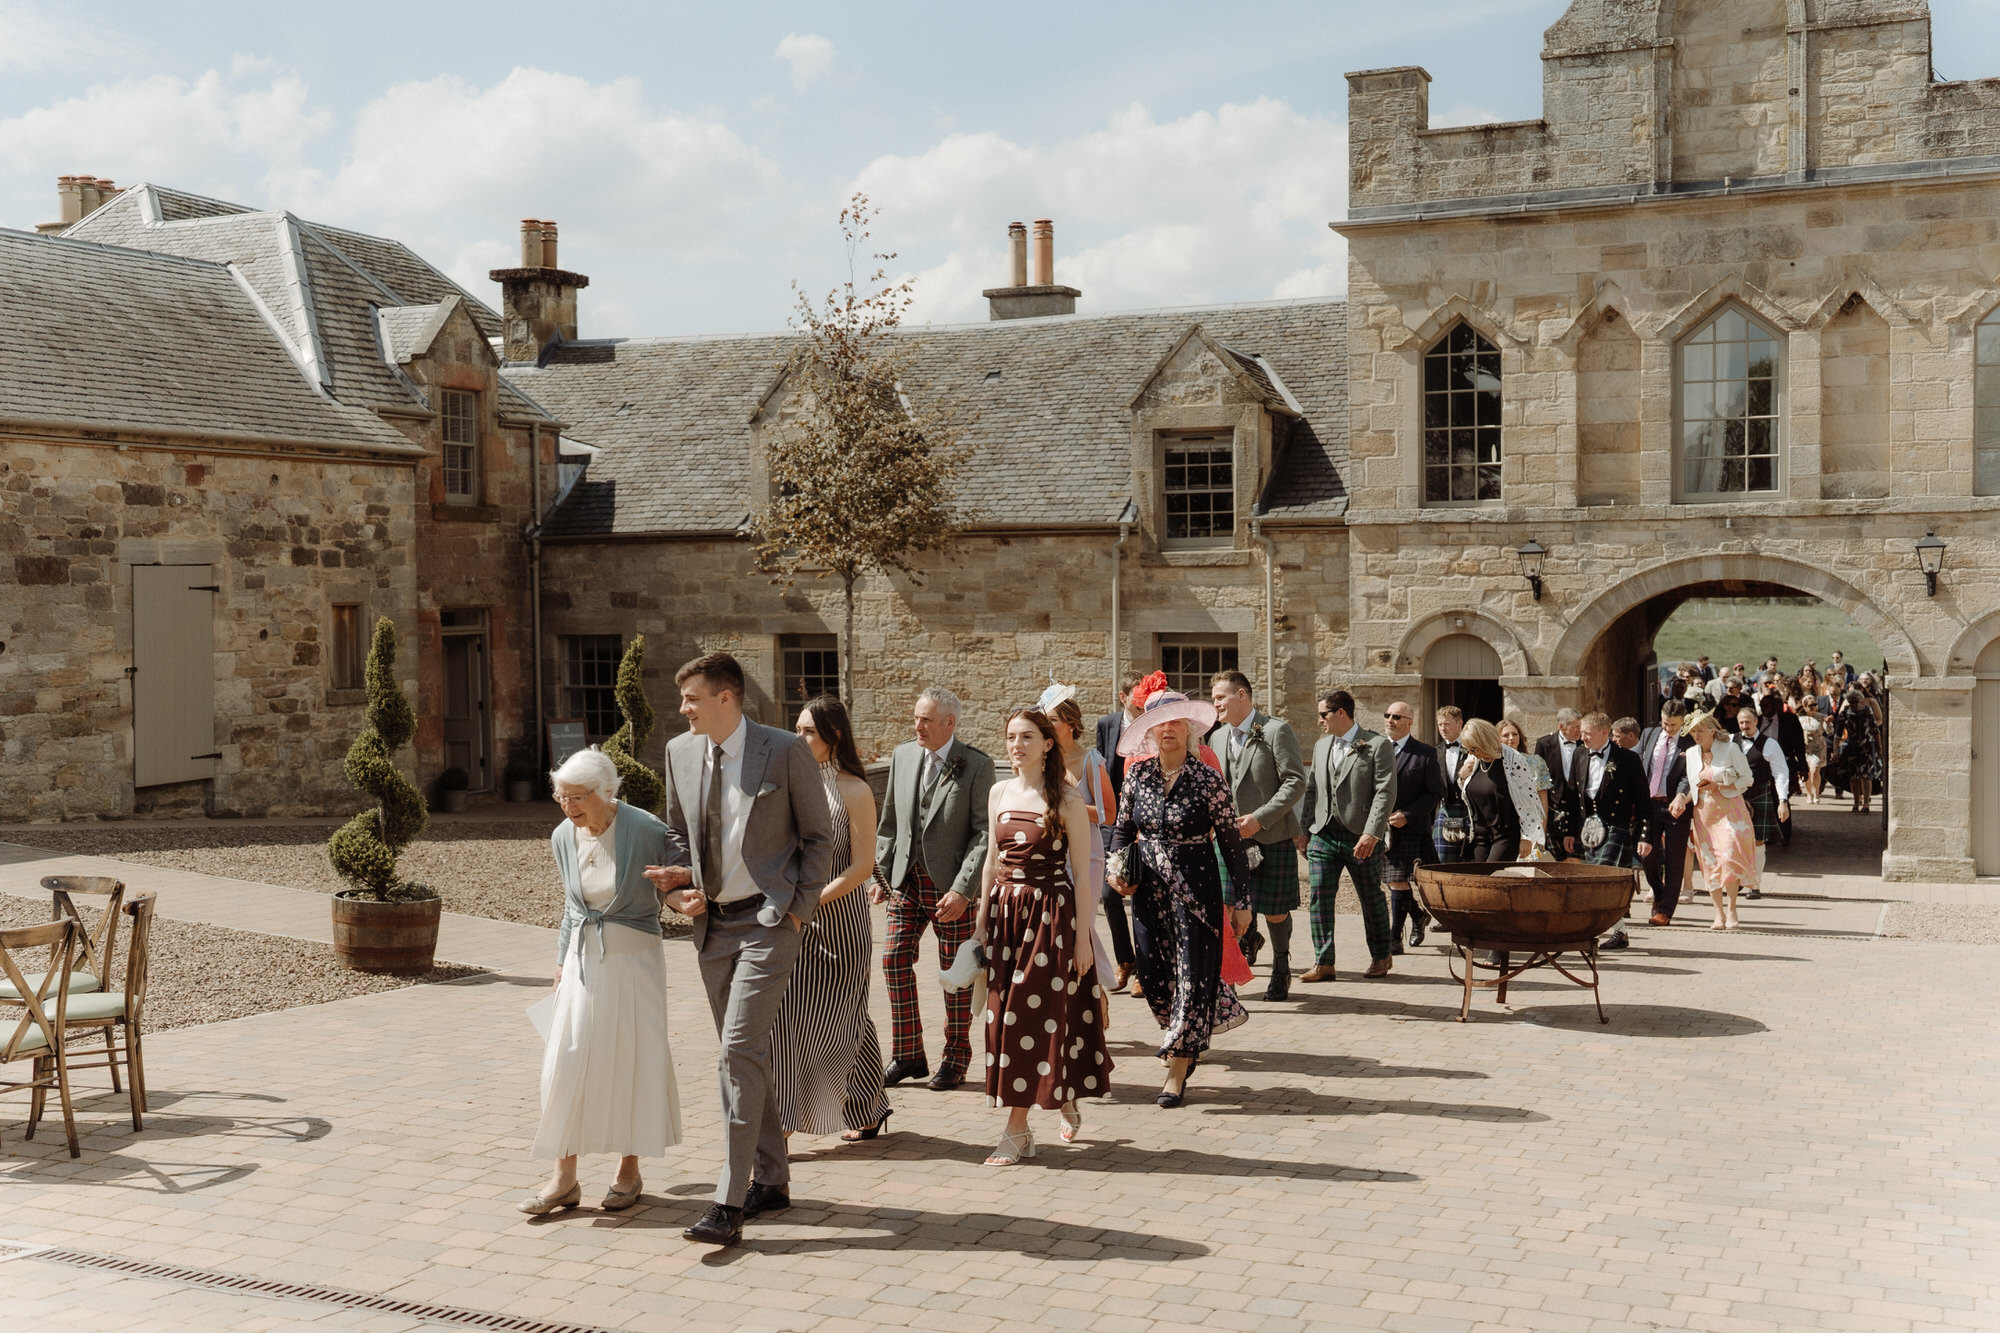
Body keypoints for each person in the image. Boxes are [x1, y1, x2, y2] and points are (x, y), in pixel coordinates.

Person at [646, 652, 835, 1248]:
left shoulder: (783, 749)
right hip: (713, 928)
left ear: (726, 698)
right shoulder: (679, 753)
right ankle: (773, 1181)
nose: (683, 710)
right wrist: (680, 895)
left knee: (735, 1052)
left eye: (692, 699)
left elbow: (818, 837)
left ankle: (728, 1202)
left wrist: (798, 911)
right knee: (744, 1058)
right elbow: (677, 834)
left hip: (769, 922)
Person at [521, 747, 688, 1217]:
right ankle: (564, 1178)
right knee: (566, 1061)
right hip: (581, 962)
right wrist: (559, 963)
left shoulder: (647, 829)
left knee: (630, 1058)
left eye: (577, 798)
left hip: (635, 960)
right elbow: (572, 907)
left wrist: (683, 901)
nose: (568, 807)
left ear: (606, 792)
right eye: (561, 797)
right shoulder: (562, 835)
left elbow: (674, 887)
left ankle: (628, 1171)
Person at [975, 708, 1112, 1164]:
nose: (1017, 745)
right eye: (1011, 736)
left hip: (1050, 918)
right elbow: (991, 862)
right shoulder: (999, 791)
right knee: (1000, 1017)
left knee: (1027, 1018)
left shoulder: (1069, 800)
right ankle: (1061, 1096)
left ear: (1048, 744)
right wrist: (980, 922)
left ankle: (1015, 1130)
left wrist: (1083, 939)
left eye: (1028, 737)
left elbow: (1084, 874)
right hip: (1004, 918)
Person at [1108, 688, 1253, 1108]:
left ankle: (1178, 1063)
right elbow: (1121, 829)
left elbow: (1230, 843)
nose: (1167, 729)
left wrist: (1239, 900)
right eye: (1159, 723)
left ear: (1188, 729)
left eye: (1175, 722)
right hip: (1149, 890)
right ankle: (1181, 1036)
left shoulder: (1207, 779)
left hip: (1197, 887)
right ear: (1149, 731)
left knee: (1192, 974)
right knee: (1153, 976)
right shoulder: (1137, 775)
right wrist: (1116, 869)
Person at [773, 697, 892, 1144]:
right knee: (804, 1018)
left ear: (834, 736)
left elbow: (861, 867)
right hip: (795, 918)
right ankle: (869, 1105)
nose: (799, 739)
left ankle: (784, 1125)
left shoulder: (855, 791)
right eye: (797, 730)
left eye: (808, 732)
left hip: (839, 921)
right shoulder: (789, 784)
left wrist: (808, 902)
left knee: (830, 1017)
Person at [874, 686, 997, 1091]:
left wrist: (964, 890)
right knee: (892, 960)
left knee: (954, 975)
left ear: (950, 723)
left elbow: (984, 835)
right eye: (916, 718)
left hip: (952, 891)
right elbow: (890, 822)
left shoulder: (977, 765)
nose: (917, 726)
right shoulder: (903, 755)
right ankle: (908, 1054)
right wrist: (882, 876)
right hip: (907, 884)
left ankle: (956, 1058)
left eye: (926, 719)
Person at [1207, 671, 1308, 1000]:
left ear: (1241, 696)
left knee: (1275, 910)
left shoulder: (1276, 730)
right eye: (1213, 698)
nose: (1215, 703)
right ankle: (1230, 976)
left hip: (1271, 835)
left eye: (1220, 697)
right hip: (1227, 839)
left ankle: (1281, 968)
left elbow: (1295, 782)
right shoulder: (1217, 737)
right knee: (1226, 909)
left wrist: (1259, 819)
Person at [1295, 690, 1398, 980]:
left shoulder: (1377, 745)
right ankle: (1323, 962)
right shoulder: (1321, 745)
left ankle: (1381, 955)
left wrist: (1372, 832)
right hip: (1323, 834)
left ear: (1341, 713)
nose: (1319, 721)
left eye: (1323, 714)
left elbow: (1385, 792)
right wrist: (1305, 830)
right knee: (1319, 897)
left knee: (1370, 897)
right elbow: (1312, 790)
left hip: (1360, 836)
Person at [1043, 682, 1117, 991]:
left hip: (1087, 852)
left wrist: (1068, 807)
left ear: (1070, 724)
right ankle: (1088, 986)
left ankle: (1098, 986)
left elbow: (1108, 815)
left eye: (1052, 721)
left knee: (1081, 920)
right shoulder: (1044, 761)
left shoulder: (1091, 760)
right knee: (1062, 920)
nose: (1046, 726)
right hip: (1053, 850)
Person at [1559, 712, 1654, 950]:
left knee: (1603, 881)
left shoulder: (1628, 759)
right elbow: (1571, 796)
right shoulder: (1580, 754)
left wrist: (1645, 835)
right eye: (1581, 732)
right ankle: (1618, 932)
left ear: (1604, 733)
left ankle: (1598, 930)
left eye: (1588, 733)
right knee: (1597, 882)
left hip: (1615, 826)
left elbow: (1643, 800)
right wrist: (1569, 831)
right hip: (1588, 828)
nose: (1583, 738)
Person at [1669, 710, 1757, 929]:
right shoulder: (1690, 754)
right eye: (1692, 732)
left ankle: (1732, 909)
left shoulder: (1730, 748)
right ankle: (1718, 913)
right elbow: (1692, 785)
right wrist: (1681, 800)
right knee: (1710, 863)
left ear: (1712, 730)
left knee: (1728, 857)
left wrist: (1721, 783)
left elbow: (1747, 778)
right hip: (1704, 814)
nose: (1696, 736)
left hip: (1730, 811)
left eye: (1700, 731)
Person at [1092, 675, 1144, 989]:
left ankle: (1144, 970)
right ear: (1121, 697)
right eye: (1136, 703)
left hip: (1146, 820)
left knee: (1140, 894)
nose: (1142, 708)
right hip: (1114, 821)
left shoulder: (1153, 725)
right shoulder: (1107, 725)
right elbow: (1101, 771)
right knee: (1109, 894)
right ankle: (1126, 960)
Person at [1382, 702, 1443, 953]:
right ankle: (1417, 916)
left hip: (1411, 829)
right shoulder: (1375, 749)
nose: (1390, 720)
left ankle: (1394, 937)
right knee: (1394, 882)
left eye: (1396, 716)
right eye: (1387, 715)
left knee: (1399, 882)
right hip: (1380, 829)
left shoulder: (1425, 753)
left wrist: (1407, 815)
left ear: (1409, 721)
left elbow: (1434, 794)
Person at [1453, 719, 1545, 862]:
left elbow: (1529, 799)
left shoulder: (1513, 760)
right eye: (1468, 749)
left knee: (1493, 877)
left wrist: (1526, 838)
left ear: (1484, 742)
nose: (1472, 753)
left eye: (1474, 749)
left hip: (1505, 835)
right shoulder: (1473, 760)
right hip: (1480, 835)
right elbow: (1469, 792)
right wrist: (1462, 775)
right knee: (1478, 879)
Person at [1637, 701, 1694, 926]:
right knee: (1646, 854)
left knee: (1674, 859)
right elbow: (1642, 764)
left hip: (1676, 807)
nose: (1668, 729)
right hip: (1650, 804)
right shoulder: (1649, 734)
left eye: (1673, 725)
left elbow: (1690, 774)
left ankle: (1666, 910)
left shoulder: (1689, 741)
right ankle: (1659, 895)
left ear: (1683, 722)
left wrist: (1681, 796)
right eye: (1665, 723)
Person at [1737, 704, 1791, 897]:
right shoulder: (1730, 742)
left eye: (1748, 722)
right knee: (1735, 840)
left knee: (1758, 841)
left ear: (1756, 721)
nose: (1744, 726)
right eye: (1741, 722)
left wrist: (1783, 801)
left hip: (1759, 795)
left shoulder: (1769, 744)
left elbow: (1781, 773)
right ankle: (1740, 878)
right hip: (1735, 797)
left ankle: (1754, 884)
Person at [1534, 710, 1585, 859]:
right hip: (1553, 809)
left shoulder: (1585, 743)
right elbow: (1539, 779)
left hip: (1578, 809)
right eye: (1575, 726)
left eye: (1580, 726)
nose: (1579, 730)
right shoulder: (1544, 744)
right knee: (1555, 859)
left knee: (1577, 858)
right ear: (1561, 726)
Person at [1496, 717, 1552, 852]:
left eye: (1514, 734)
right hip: (1503, 826)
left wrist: (1540, 835)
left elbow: (1542, 801)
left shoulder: (1535, 762)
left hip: (1530, 825)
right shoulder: (1493, 764)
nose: (1511, 738)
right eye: (1505, 735)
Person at [1760, 692, 1807, 848]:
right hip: (1761, 767)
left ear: (1775, 706)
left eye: (1767, 705)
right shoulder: (1757, 721)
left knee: (1782, 799)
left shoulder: (1789, 720)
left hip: (1783, 765)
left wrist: (1803, 766)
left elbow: (1799, 745)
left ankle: (1785, 835)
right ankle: (1766, 835)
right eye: (1762, 706)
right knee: (1765, 801)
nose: (1764, 708)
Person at [1432, 706, 1474, 863]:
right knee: (1442, 862)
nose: (1443, 728)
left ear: (1460, 723)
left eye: (1447, 724)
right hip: (1444, 810)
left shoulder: (1472, 749)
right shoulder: (1435, 752)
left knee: (1467, 861)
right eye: (1440, 724)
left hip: (1469, 810)